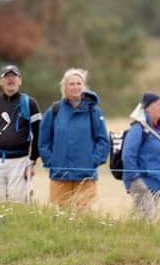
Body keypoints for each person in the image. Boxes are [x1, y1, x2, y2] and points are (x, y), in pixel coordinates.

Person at [38, 68, 109, 210]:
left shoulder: (93, 111)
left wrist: (93, 161)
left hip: (86, 175)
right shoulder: (54, 110)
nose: (75, 87)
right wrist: (52, 161)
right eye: (71, 84)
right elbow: (43, 141)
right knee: (61, 216)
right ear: (64, 87)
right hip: (60, 175)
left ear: (84, 86)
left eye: (79, 83)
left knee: (84, 217)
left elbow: (102, 140)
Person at [0, 65, 41, 202]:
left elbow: (38, 135)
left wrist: (32, 161)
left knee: (18, 204)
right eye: (6, 77)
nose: (10, 80)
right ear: (1, 82)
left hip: (20, 162)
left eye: (14, 76)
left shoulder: (30, 103)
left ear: (20, 80)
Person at [122, 92, 160, 221]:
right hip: (141, 182)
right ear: (148, 107)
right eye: (158, 104)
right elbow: (128, 156)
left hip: (156, 182)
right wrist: (136, 180)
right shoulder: (138, 128)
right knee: (149, 220)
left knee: (144, 220)